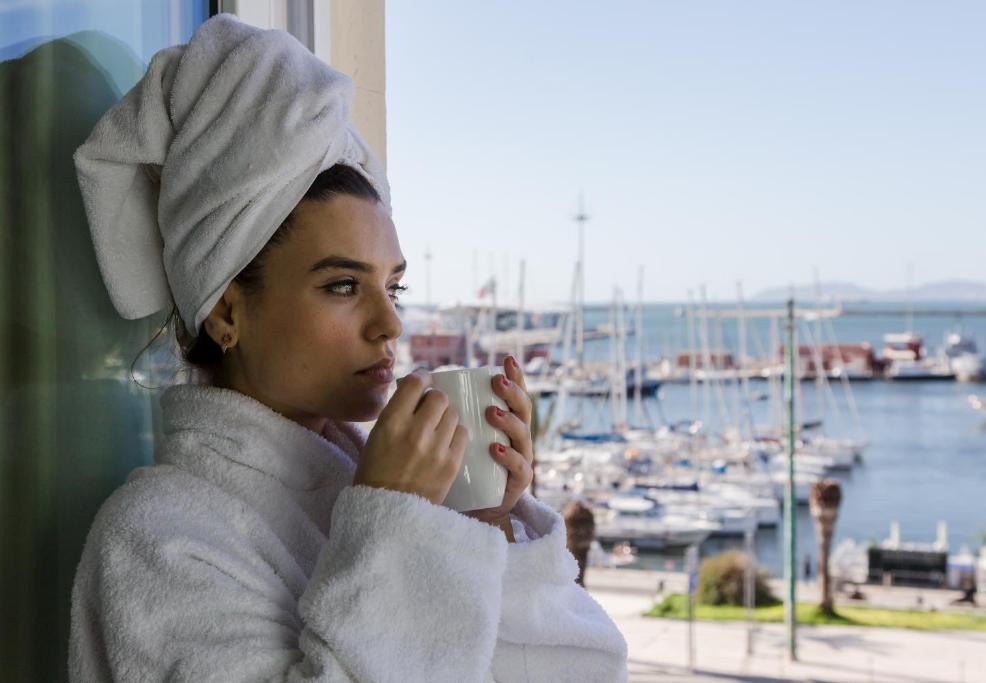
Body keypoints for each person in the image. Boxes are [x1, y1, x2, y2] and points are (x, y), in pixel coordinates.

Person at [68, 14, 627, 682]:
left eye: (395, 286)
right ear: (225, 310)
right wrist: (402, 525)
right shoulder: (156, 539)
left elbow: (588, 668)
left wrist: (484, 524)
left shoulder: (374, 499)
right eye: (342, 284)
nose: (389, 323)